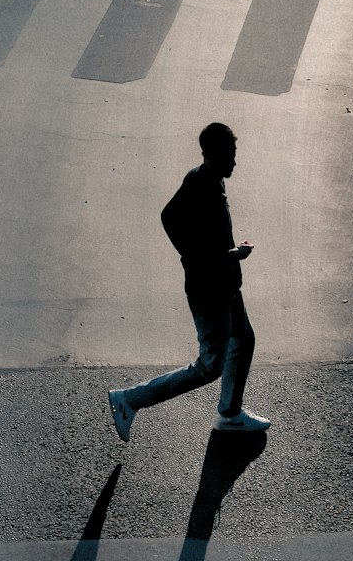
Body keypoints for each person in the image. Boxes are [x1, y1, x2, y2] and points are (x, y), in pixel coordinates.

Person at [108, 122, 270, 441]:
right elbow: (175, 223)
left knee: (244, 340)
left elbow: (171, 218)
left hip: (225, 286)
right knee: (209, 366)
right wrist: (228, 255)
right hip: (210, 292)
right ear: (210, 154)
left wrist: (208, 256)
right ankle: (129, 400)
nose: (235, 161)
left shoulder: (207, 179)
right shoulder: (202, 185)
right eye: (230, 155)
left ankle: (230, 414)